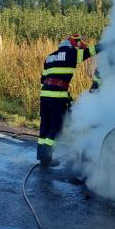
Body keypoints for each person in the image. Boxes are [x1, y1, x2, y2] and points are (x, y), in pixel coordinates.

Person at [37, 34, 97, 166]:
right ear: (73, 45)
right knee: (56, 126)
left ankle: (40, 155)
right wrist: (108, 44)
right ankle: (46, 158)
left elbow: (43, 79)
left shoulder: (49, 57)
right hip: (57, 97)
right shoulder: (71, 54)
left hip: (45, 96)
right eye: (78, 45)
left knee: (45, 125)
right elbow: (91, 51)